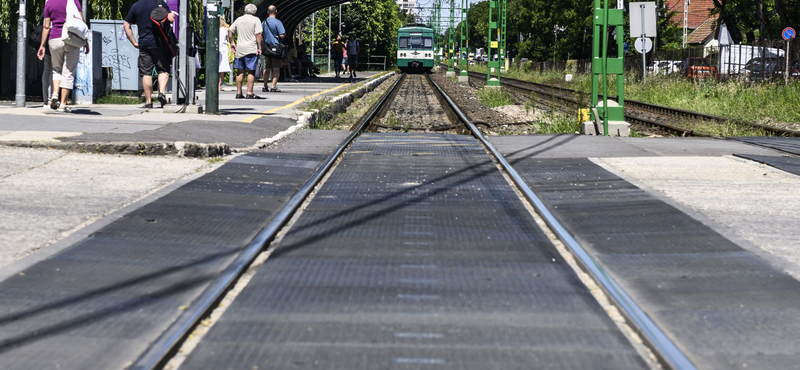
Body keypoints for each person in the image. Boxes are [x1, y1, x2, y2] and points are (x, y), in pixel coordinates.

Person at [37, 0, 90, 113]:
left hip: (54, 39)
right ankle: (63, 104)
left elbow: (46, 26)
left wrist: (42, 45)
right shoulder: (73, 1)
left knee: (56, 69)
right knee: (68, 72)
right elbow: (81, 22)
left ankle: (55, 94)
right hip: (71, 38)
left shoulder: (49, 3)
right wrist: (86, 41)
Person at [123, 0, 175, 109]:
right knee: (163, 69)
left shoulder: (136, 6)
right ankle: (161, 93)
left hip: (144, 44)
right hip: (160, 44)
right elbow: (171, 18)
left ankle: (148, 101)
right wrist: (171, 15)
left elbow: (126, 25)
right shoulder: (160, 3)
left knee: (146, 72)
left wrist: (134, 42)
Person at [229, 4, 263, 99]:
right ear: (255, 12)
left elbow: (230, 31)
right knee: (251, 71)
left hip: (240, 48)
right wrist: (259, 47)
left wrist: (232, 42)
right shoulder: (256, 20)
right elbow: (258, 34)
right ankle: (249, 92)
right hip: (251, 49)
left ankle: (239, 93)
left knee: (240, 71)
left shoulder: (239, 19)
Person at [261, 5, 285, 92]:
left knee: (267, 68)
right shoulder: (278, 23)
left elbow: (261, 34)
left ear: (267, 12)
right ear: (276, 11)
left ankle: (265, 85)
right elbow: (282, 34)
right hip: (276, 48)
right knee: (276, 68)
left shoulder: (263, 22)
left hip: (267, 48)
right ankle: (273, 86)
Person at [218, 16, 232, 91]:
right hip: (223, 49)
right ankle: (219, 85)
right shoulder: (225, 29)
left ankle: (214, 84)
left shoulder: (213, 30)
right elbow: (230, 37)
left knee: (215, 67)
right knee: (222, 69)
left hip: (216, 49)